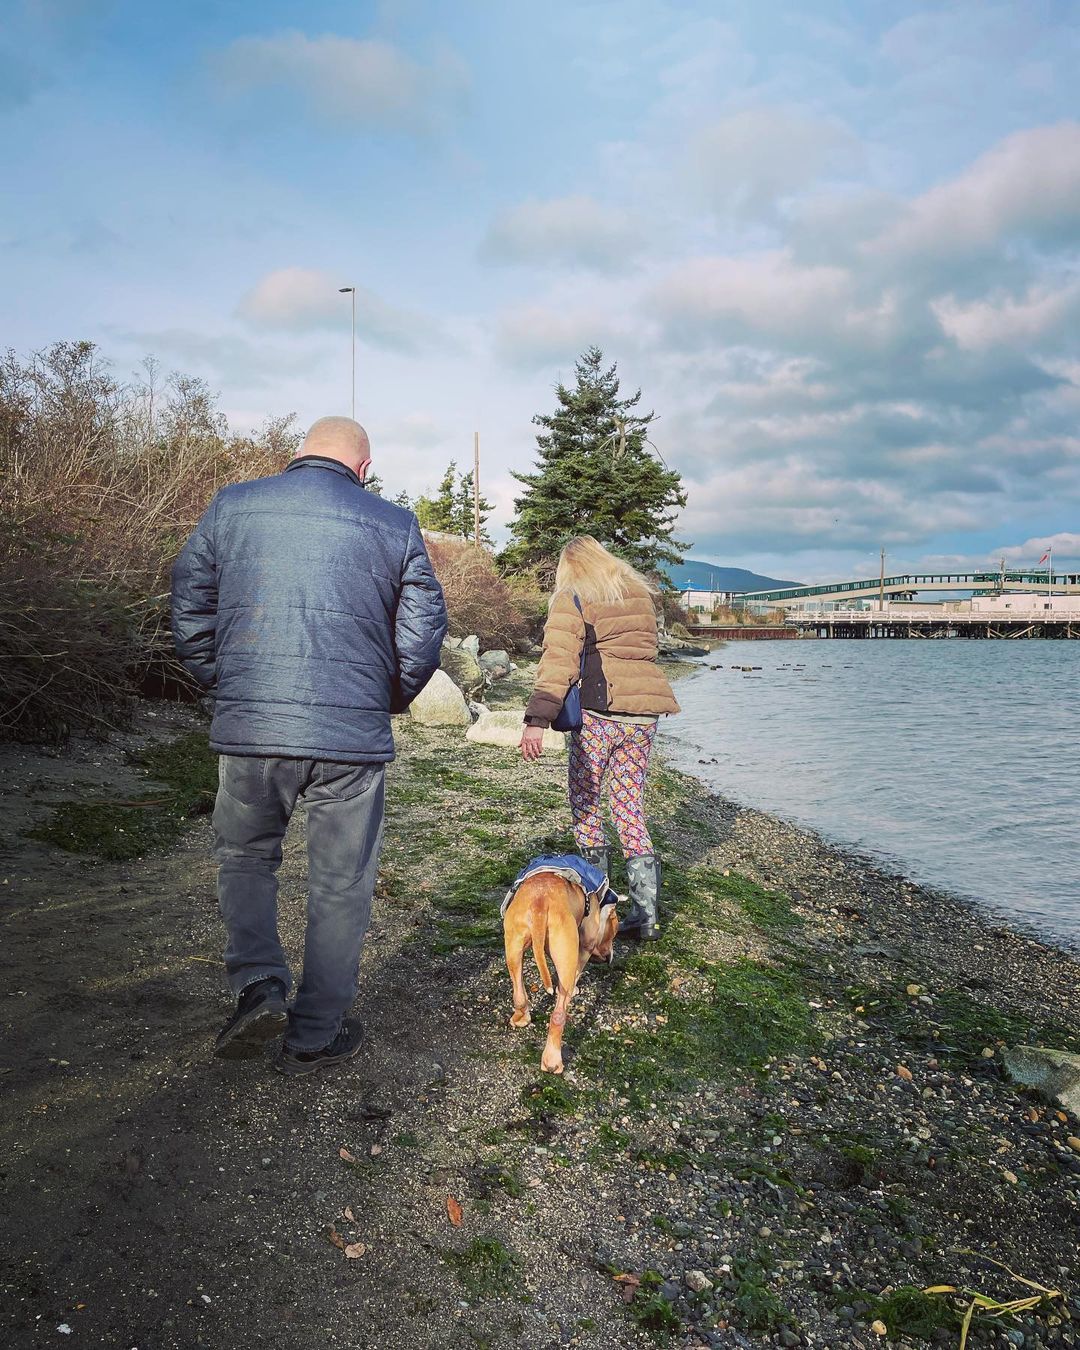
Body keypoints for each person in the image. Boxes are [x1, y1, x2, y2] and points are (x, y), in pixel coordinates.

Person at [171, 416, 447, 1074]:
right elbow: (424, 630)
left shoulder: (232, 505)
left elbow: (189, 604)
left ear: (299, 454)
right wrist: (386, 699)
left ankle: (259, 983)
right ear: (363, 468)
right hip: (349, 739)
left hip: (252, 727)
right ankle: (315, 1033)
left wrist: (229, 684)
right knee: (340, 885)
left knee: (244, 857)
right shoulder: (395, 524)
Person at [519, 535, 680, 941]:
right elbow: (646, 652)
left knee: (587, 805)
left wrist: (537, 718)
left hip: (599, 715)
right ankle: (646, 917)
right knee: (628, 809)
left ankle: (598, 910)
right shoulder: (638, 594)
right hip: (642, 717)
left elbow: (559, 659)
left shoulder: (574, 595)